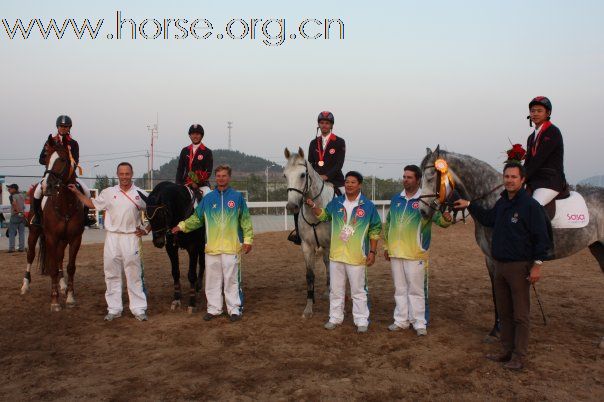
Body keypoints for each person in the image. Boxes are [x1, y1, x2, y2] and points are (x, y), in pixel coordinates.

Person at [454, 163, 551, 370]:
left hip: (519, 267)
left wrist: (537, 266)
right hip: (499, 266)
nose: (509, 180)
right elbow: (488, 219)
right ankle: (506, 350)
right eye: (506, 176)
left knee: (520, 314)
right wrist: (470, 204)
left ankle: (519, 356)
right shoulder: (502, 202)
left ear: (522, 180)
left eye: (514, 177)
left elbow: (542, 238)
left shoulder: (530, 206)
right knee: (505, 312)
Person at [69, 162, 150, 322]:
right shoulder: (108, 192)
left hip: (131, 237)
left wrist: (147, 229)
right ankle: (114, 309)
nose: (124, 177)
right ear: (117, 175)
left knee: (134, 274)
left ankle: (138, 309)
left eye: (127, 174)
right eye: (122, 174)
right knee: (111, 274)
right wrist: (77, 193)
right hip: (112, 237)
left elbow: (154, 213)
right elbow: (92, 204)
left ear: (132, 174)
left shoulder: (140, 194)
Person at [172, 165, 253, 322]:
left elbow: (245, 220)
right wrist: (181, 226)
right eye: (219, 176)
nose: (221, 178)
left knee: (231, 279)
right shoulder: (208, 199)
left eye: (224, 176)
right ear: (216, 178)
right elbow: (197, 218)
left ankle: (234, 309)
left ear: (229, 177)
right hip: (212, 248)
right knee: (212, 280)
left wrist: (248, 240)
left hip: (232, 247)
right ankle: (214, 309)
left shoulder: (237, 197)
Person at [307, 171, 381, 333]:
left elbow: (375, 229)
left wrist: (373, 251)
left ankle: (361, 320)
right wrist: (313, 206)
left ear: (359, 185)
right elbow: (324, 216)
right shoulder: (336, 203)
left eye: (353, 182)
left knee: (358, 291)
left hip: (356, 256)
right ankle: (335, 317)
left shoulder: (367, 206)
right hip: (336, 256)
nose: (349, 185)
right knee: (336, 290)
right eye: (347, 182)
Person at [383, 165, 452, 336]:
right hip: (396, 252)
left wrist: (447, 219)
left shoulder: (426, 200)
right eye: (404, 176)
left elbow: (441, 221)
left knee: (416, 290)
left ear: (418, 179)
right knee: (400, 289)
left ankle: (419, 322)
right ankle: (401, 320)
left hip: (416, 252)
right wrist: (387, 246)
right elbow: (389, 223)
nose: (405, 180)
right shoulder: (396, 199)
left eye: (409, 177)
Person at [288, 111, 346, 245]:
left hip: (335, 180)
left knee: (345, 199)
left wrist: (327, 175)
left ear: (331, 125)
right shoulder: (314, 143)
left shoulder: (339, 142)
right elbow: (311, 164)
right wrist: (315, 177)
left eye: (327, 123)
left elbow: (339, 163)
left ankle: (344, 229)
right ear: (319, 125)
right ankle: (298, 232)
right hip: (316, 181)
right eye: (322, 123)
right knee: (299, 201)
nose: (324, 125)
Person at [32, 115, 94, 226]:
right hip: (51, 175)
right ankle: (37, 217)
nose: (63, 128)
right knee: (37, 192)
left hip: (69, 175)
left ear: (69, 128)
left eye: (66, 126)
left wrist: (68, 171)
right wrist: (50, 161)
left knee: (87, 191)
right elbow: (41, 159)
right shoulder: (50, 142)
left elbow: (76, 161)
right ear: (57, 127)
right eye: (61, 126)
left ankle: (85, 218)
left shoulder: (73, 143)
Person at [524, 96, 567, 206]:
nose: (535, 114)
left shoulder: (553, 132)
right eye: (532, 111)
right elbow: (528, 163)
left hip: (549, 182)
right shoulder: (531, 137)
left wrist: (522, 177)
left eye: (539, 111)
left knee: (532, 207)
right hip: (534, 182)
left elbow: (538, 160)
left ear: (547, 113)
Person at [175, 124, 213, 201]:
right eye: (192, 134)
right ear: (189, 135)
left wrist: (197, 182)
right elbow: (180, 169)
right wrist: (178, 184)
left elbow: (208, 171)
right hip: (185, 184)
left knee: (209, 198)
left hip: (202, 185)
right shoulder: (185, 150)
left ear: (201, 136)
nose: (195, 136)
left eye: (197, 134)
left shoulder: (207, 152)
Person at [7, 184, 26, 253]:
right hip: (22, 216)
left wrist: (18, 212)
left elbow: (14, 204)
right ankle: (21, 248)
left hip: (15, 215)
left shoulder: (12, 196)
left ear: (14, 189)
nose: (9, 190)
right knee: (21, 233)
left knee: (11, 233)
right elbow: (23, 205)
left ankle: (11, 248)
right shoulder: (22, 195)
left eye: (10, 189)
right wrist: (21, 213)